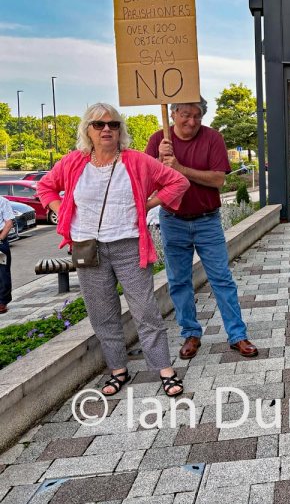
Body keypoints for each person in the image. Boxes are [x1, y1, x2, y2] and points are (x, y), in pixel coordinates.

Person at [37, 103, 190, 397]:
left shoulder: (136, 161)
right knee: (101, 312)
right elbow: (45, 188)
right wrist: (64, 209)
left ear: (120, 131)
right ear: (88, 131)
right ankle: (118, 369)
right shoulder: (72, 162)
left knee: (144, 310)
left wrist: (148, 204)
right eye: (99, 124)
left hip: (128, 244)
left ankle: (164, 369)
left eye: (113, 124)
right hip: (86, 246)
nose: (107, 129)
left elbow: (177, 181)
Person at [145, 97, 259, 360]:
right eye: (186, 114)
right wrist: (160, 163)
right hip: (173, 220)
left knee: (221, 279)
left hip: (207, 220)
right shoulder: (158, 140)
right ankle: (190, 334)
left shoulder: (213, 138)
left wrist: (181, 169)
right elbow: (148, 182)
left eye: (197, 116)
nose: (192, 121)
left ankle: (237, 335)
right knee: (178, 281)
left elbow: (218, 179)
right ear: (173, 113)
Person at [0, 197, 14, 314]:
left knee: (3, 272)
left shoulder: (3, 201)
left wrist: (0, 239)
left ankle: (2, 302)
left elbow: (8, 223)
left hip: (0, 239)